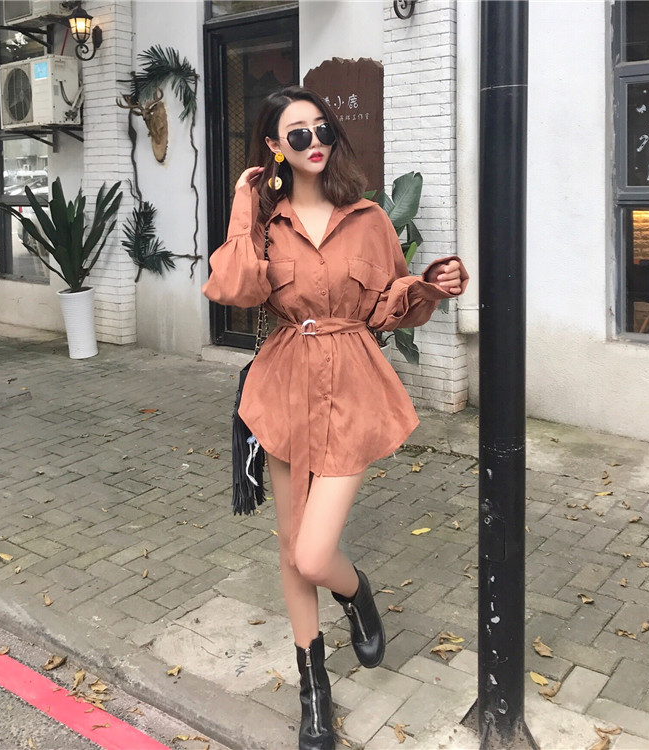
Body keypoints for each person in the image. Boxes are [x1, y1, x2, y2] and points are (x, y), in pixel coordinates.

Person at [203, 86, 468, 750]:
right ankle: (314, 689)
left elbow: (387, 304)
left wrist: (430, 285)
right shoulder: (267, 224)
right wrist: (243, 204)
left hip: (351, 383)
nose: (315, 141)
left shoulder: (369, 217)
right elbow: (235, 288)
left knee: (315, 552)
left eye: (322, 128)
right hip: (285, 384)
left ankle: (356, 593)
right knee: (292, 549)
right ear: (275, 147)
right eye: (298, 134)